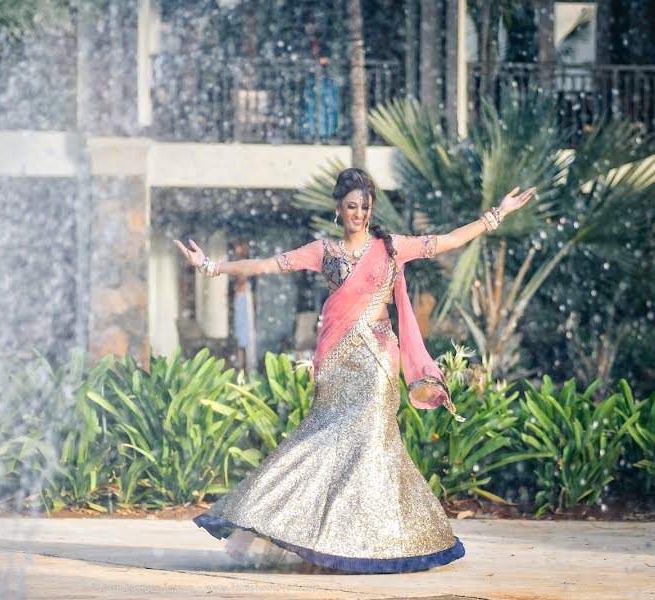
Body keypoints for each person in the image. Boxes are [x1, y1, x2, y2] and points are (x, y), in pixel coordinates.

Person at [173, 167, 535, 574]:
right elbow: (265, 266)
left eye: (365, 207)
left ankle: (375, 539)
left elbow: (448, 241)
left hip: (378, 356)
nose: (359, 214)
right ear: (338, 209)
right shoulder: (323, 252)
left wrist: (496, 215)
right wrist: (210, 267)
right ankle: (299, 523)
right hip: (336, 362)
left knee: (373, 441)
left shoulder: (392, 247)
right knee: (324, 440)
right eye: (351, 207)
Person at [233, 276, 257, 373]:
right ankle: (241, 368)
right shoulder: (238, 287)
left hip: (246, 320)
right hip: (240, 319)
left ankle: (246, 368)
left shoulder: (247, 287)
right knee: (241, 344)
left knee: (245, 343)